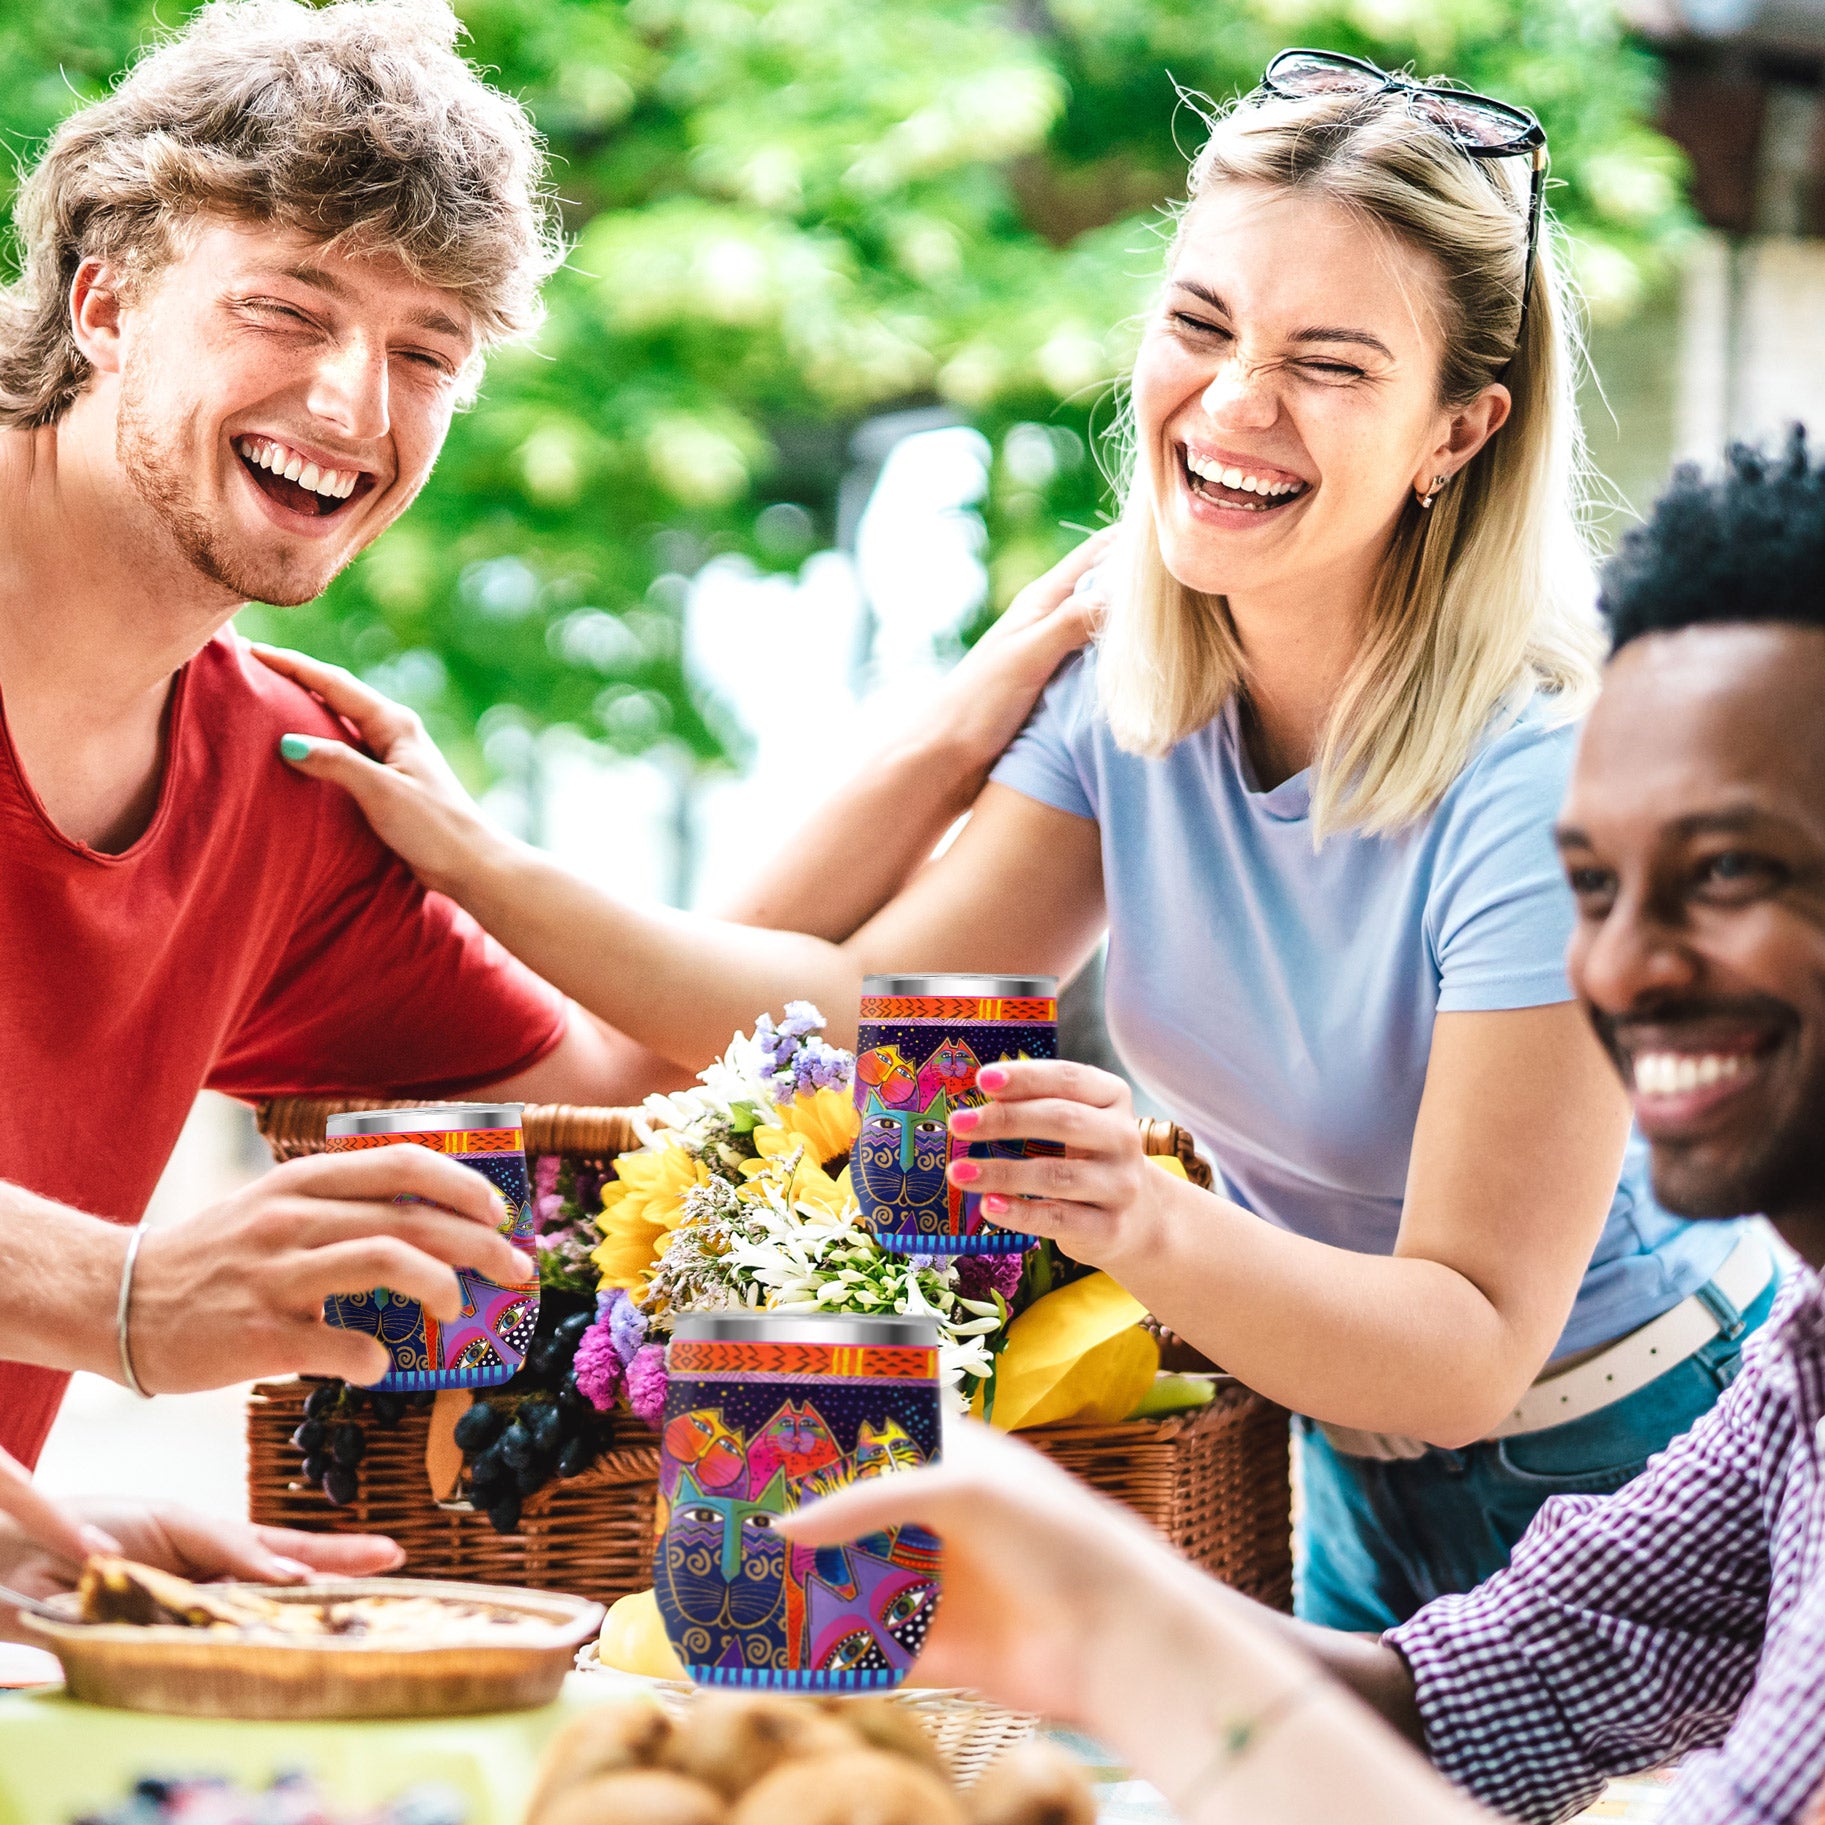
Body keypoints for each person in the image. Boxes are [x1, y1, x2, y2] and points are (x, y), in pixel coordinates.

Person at [271, 51, 1774, 1624]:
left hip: (1640, 1466)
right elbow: (812, 1017)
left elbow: (1465, 1348)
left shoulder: (1532, 792)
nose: (1234, 403)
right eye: (1200, 326)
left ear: (1455, 434)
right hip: (1338, 1461)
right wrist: (485, 852)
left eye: (1328, 365)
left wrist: (1133, 1208)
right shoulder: (1142, 694)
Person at [0, 0, 1092, 1535]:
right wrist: (122, 1294)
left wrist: (962, 732)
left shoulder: (279, 780)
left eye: (423, 351)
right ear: (104, 305)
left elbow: (641, 1071)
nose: (352, 406)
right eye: (291, 312)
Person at [785, 430, 1825, 1825]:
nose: (1621, 966)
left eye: (1725, 870)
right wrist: (1076, 1608)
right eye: (1590, 885)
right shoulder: (1797, 1385)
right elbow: (1484, 1695)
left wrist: (1110, 1622)